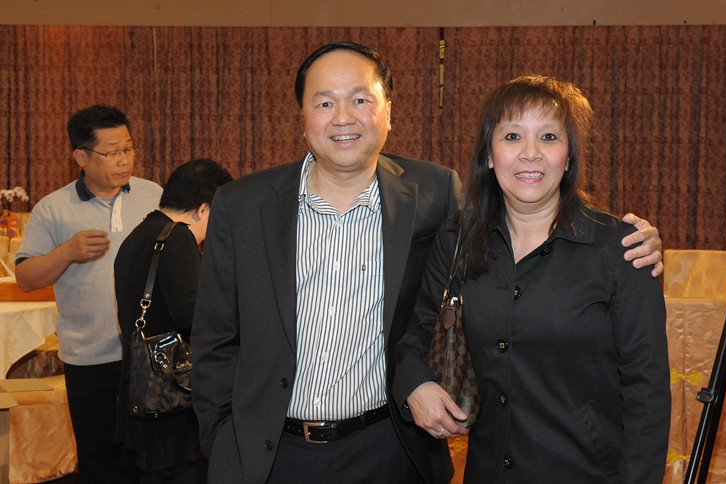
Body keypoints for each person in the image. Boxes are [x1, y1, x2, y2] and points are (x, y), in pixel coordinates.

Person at [191, 41, 664, 484]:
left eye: (360, 99)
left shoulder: (434, 194)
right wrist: (223, 444)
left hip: (389, 449)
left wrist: (640, 240)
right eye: (325, 102)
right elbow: (214, 340)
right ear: (302, 115)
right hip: (272, 454)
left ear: (388, 112)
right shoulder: (242, 205)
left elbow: (645, 387)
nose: (343, 117)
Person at [394, 74, 671, 483]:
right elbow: (415, 336)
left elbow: (647, 392)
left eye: (548, 137)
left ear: (569, 156)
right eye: (512, 136)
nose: (530, 154)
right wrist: (415, 384)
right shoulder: (456, 240)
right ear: (489, 155)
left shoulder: (622, 249)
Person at [15, 104, 163, 483]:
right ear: (81, 157)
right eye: (111, 152)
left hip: (147, 355)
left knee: (151, 460)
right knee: (99, 461)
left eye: (128, 149)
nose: (124, 160)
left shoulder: (153, 195)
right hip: (89, 358)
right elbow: (26, 277)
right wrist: (66, 252)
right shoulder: (53, 209)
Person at [113, 158, 233, 483]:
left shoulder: (139, 235)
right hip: (173, 402)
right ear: (204, 209)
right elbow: (195, 317)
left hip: (146, 395)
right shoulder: (177, 238)